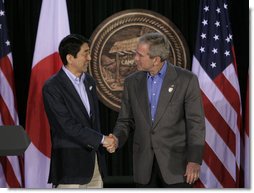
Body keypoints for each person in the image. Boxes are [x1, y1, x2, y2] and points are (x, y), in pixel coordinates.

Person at [105, 32, 205, 188]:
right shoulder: (132, 82)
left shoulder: (186, 80)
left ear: (156, 59)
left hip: (177, 167)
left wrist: (194, 160)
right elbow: (125, 120)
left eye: (140, 55)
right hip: (144, 167)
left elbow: (196, 124)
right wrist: (117, 139)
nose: (135, 58)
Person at [42, 34, 115, 188]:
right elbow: (66, 126)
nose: (89, 58)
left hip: (94, 165)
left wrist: (105, 142)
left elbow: (92, 122)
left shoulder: (90, 81)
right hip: (70, 167)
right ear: (70, 58)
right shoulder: (52, 87)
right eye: (85, 53)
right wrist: (103, 140)